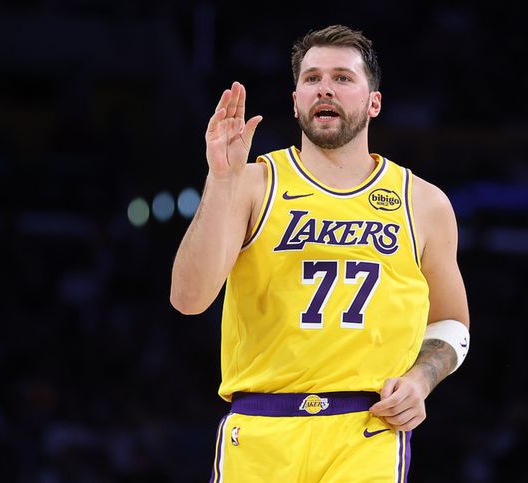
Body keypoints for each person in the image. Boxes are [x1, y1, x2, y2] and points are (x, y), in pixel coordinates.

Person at [170, 24, 470, 482]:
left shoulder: (423, 202)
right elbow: (188, 299)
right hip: (260, 427)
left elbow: (452, 325)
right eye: (312, 79)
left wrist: (420, 379)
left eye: (342, 78)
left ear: (374, 102)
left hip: (367, 428)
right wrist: (221, 181)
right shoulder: (253, 183)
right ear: (296, 102)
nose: (325, 88)